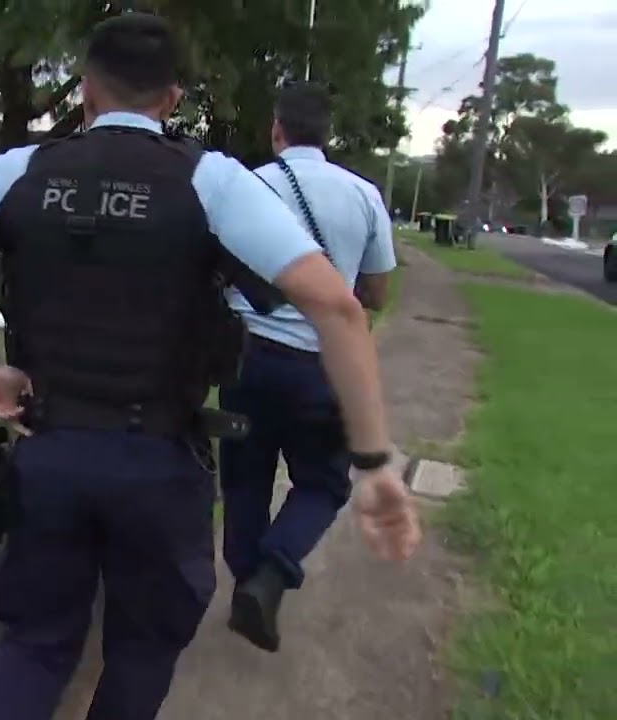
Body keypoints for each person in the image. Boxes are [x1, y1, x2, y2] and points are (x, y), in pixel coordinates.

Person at [0, 14, 420, 720]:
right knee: (142, 649)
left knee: (35, 644)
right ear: (172, 99)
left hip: (49, 453)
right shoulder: (212, 180)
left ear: (85, 90)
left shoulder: (20, 170)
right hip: (160, 463)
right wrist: (373, 464)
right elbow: (341, 310)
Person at [218, 81, 400, 654]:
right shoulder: (363, 195)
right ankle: (271, 574)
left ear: (277, 129)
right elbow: (376, 293)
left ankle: (247, 580)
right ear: (327, 135)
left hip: (245, 358)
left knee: (245, 477)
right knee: (322, 481)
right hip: (322, 366)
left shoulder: (245, 187)